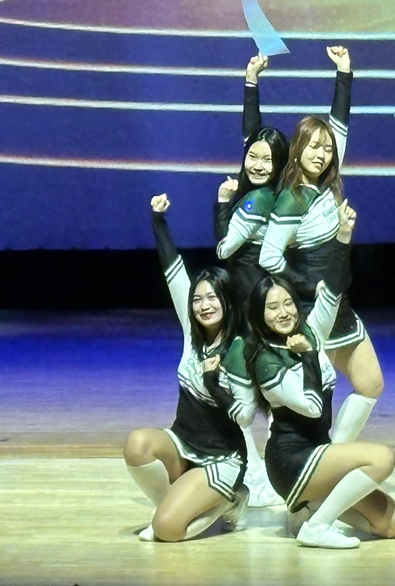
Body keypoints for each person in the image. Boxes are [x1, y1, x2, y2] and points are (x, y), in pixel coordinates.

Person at [248, 203, 395, 549]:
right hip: (291, 462)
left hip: (318, 455)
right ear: (260, 316)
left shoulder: (311, 332)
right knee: (382, 458)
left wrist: (343, 239)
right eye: (272, 307)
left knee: (391, 524)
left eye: (288, 303)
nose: (284, 312)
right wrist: (307, 356)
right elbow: (312, 407)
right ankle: (317, 525)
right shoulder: (266, 362)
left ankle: (309, 509)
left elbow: (332, 292)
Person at [259, 45, 384, 446]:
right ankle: (288, 463)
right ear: (298, 148)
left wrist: (344, 72)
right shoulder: (291, 198)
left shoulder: (326, 186)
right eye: (314, 146)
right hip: (312, 313)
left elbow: (339, 126)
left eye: (327, 149)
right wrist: (307, 289)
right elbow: (268, 256)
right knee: (303, 401)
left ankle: (334, 455)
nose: (323, 154)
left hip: (337, 306)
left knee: (370, 384)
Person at [122, 194, 256, 542]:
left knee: (166, 531)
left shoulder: (241, 350)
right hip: (182, 443)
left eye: (212, 298)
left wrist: (213, 381)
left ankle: (232, 498)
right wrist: (158, 220)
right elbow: (172, 268)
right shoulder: (191, 331)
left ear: (227, 301)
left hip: (221, 459)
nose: (203, 305)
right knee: (137, 444)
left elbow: (244, 418)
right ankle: (172, 508)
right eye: (197, 299)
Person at [213, 53, 291, 508]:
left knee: (257, 391)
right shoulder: (258, 184)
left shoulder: (259, 198)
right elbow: (252, 133)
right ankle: (257, 474)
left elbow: (224, 248)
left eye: (268, 159)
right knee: (247, 390)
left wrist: (222, 202)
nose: (258, 163)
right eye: (253, 157)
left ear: (280, 165)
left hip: (254, 300)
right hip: (246, 298)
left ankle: (271, 473)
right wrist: (250, 80)